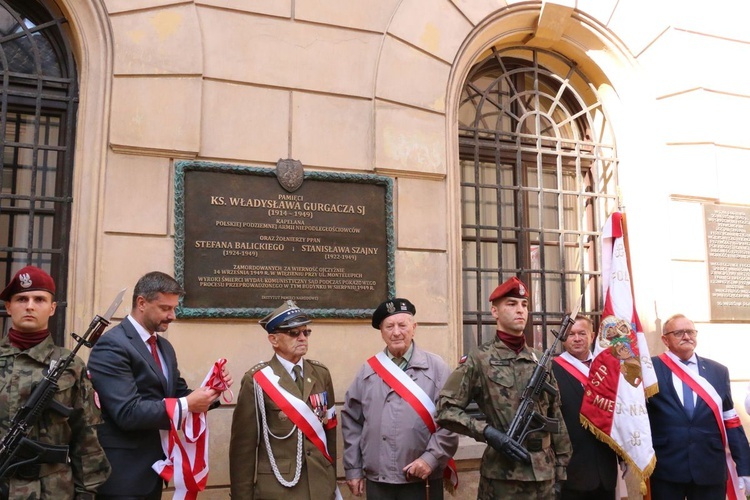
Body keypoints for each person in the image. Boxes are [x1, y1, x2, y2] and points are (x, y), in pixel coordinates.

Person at [87, 271, 231, 500]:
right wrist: (187, 404)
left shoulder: (164, 347)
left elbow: (178, 392)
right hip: (122, 475)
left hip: (154, 469)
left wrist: (212, 391)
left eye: (174, 308)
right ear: (141, 303)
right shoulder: (111, 345)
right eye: (165, 308)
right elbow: (127, 412)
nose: (172, 316)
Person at [436, 277, 572, 499]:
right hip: (502, 479)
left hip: (544, 476)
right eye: (511, 304)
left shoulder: (540, 359)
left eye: (524, 305)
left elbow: (555, 414)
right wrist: (488, 433)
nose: (520, 310)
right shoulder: (479, 359)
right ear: (494, 312)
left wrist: (561, 470)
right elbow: (445, 409)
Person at [0, 265, 110, 498]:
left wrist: (87, 492)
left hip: (52, 491)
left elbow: (86, 436)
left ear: (51, 308)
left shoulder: (70, 366)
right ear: (9, 307)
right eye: (21, 299)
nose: (29, 306)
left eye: (39, 299)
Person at [341, 298, 458, 499]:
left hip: (422, 477)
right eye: (389, 326)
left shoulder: (437, 368)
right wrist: (353, 469)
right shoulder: (368, 370)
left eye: (402, 325)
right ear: (381, 332)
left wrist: (430, 459)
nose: (396, 332)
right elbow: (352, 422)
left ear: (414, 328)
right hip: (379, 480)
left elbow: (452, 421)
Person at [229, 300, 338, 499]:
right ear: (274, 340)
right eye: (294, 333)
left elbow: (329, 431)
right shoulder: (257, 380)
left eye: (306, 332)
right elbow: (243, 448)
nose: (302, 338)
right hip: (280, 487)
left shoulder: (321, 374)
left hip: (320, 484)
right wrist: (241, 496)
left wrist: (331, 478)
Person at [648, 313, 750, 499]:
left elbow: (731, 421)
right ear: (665, 339)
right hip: (666, 467)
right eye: (679, 333)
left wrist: (745, 466)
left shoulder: (718, 371)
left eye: (690, 332)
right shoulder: (650, 368)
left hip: (709, 467)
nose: (687, 337)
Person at [551, 315, 618, 500]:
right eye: (571, 334)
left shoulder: (607, 368)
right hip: (571, 471)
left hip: (606, 470)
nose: (577, 338)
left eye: (582, 333)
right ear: (564, 339)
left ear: (593, 335)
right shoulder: (551, 370)